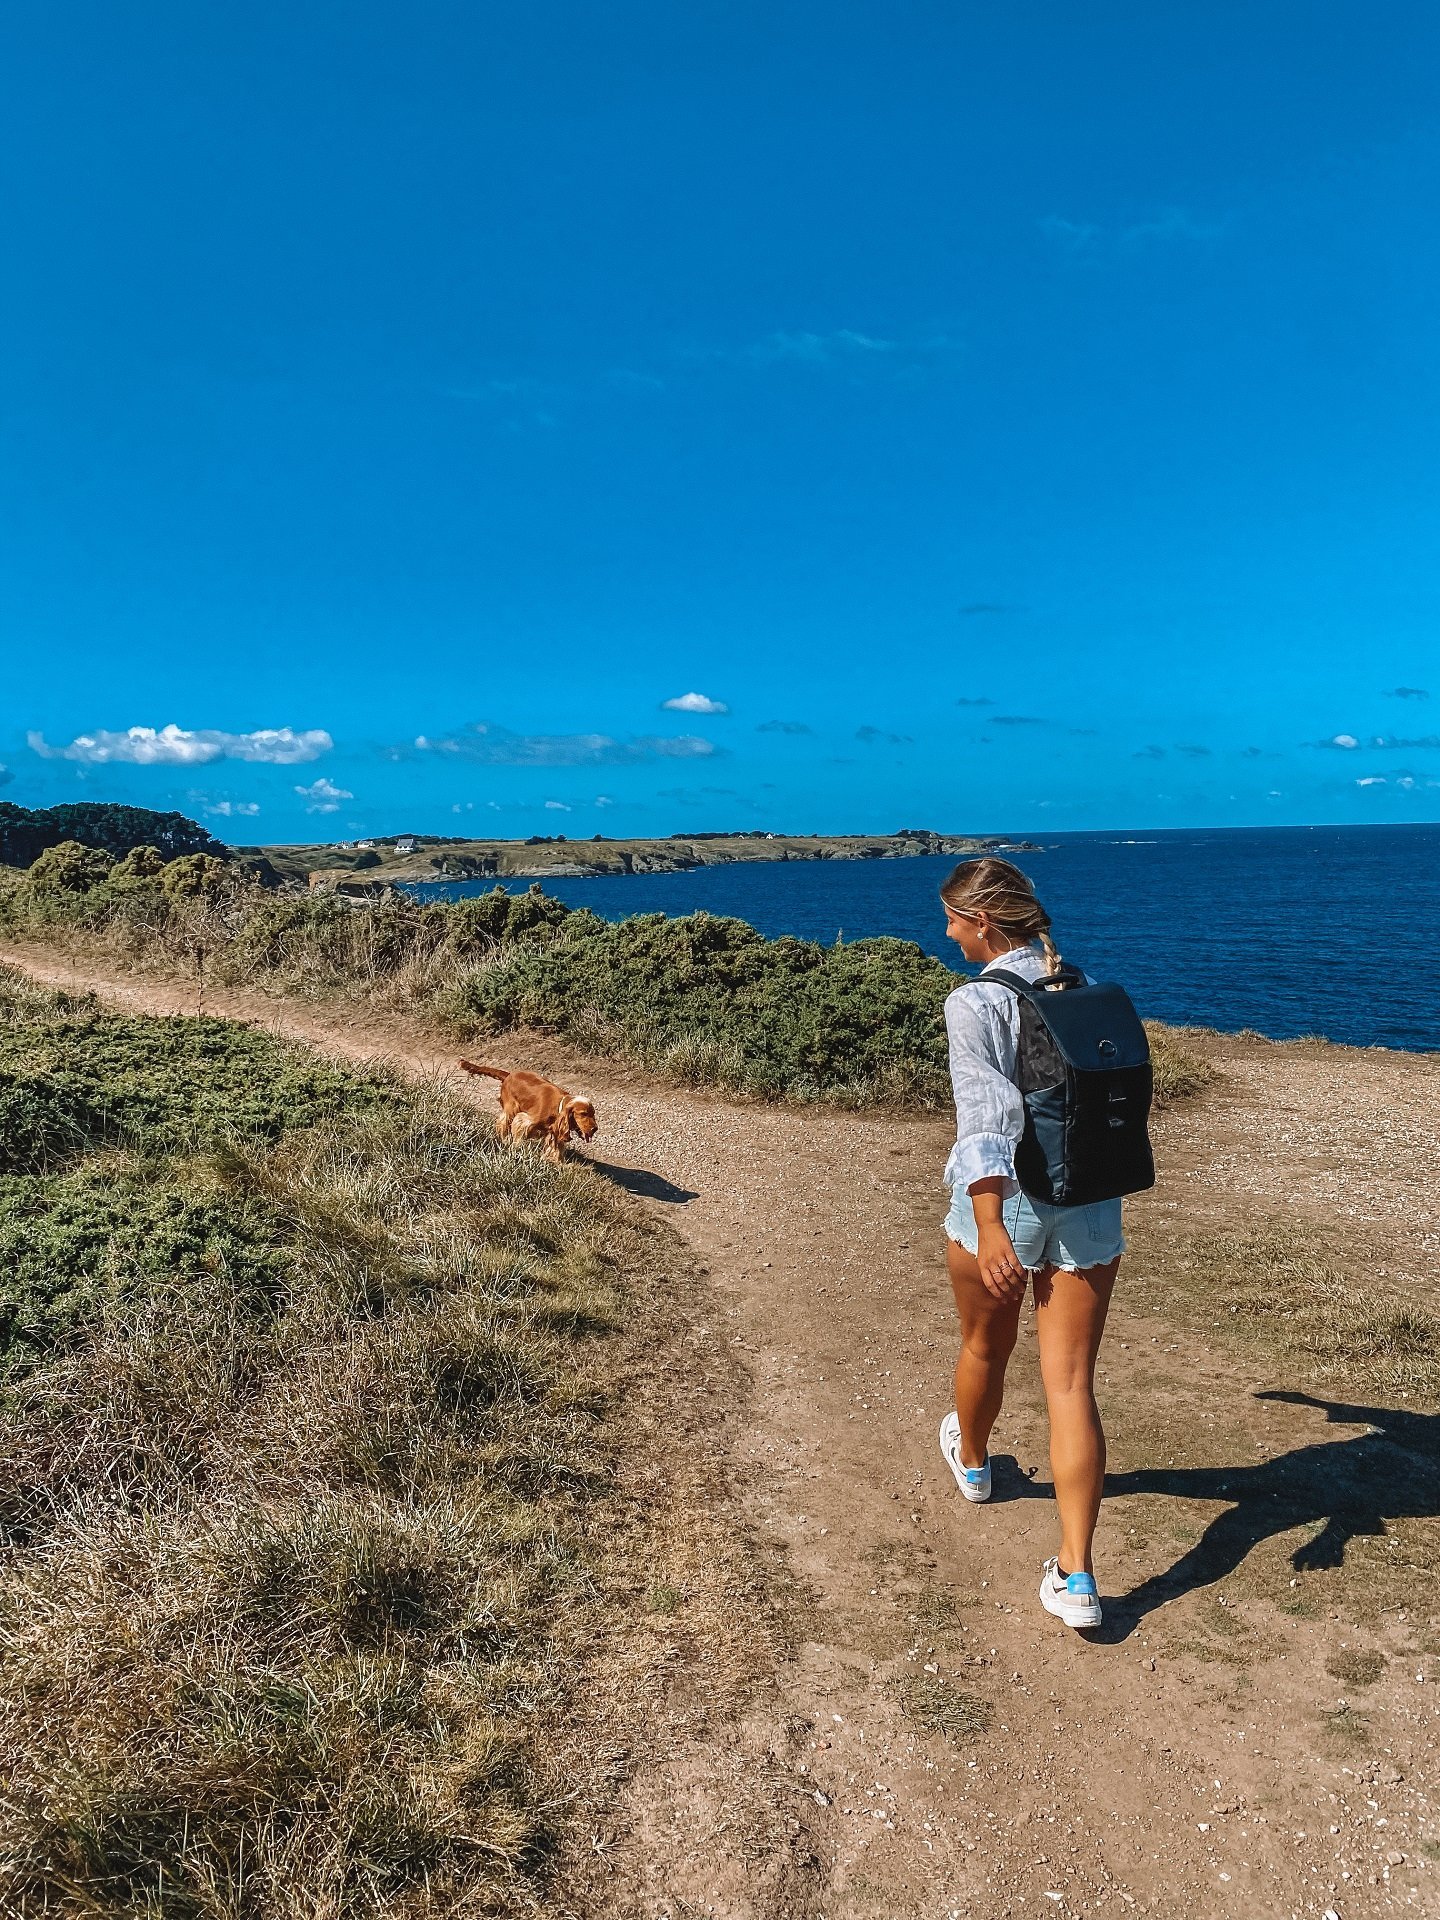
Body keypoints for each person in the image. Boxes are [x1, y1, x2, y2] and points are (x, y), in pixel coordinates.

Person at [935, 856, 1122, 1629]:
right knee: (1071, 1385)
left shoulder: (976, 1001)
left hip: (1006, 1202)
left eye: (951, 918)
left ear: (983, 922)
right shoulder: (1076, 983)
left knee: (985, 1346)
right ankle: (1078, 1579)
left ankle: (975, 1466)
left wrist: (986, 1224)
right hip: (1089, 1199)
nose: (946, 932)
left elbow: (985, 1119)